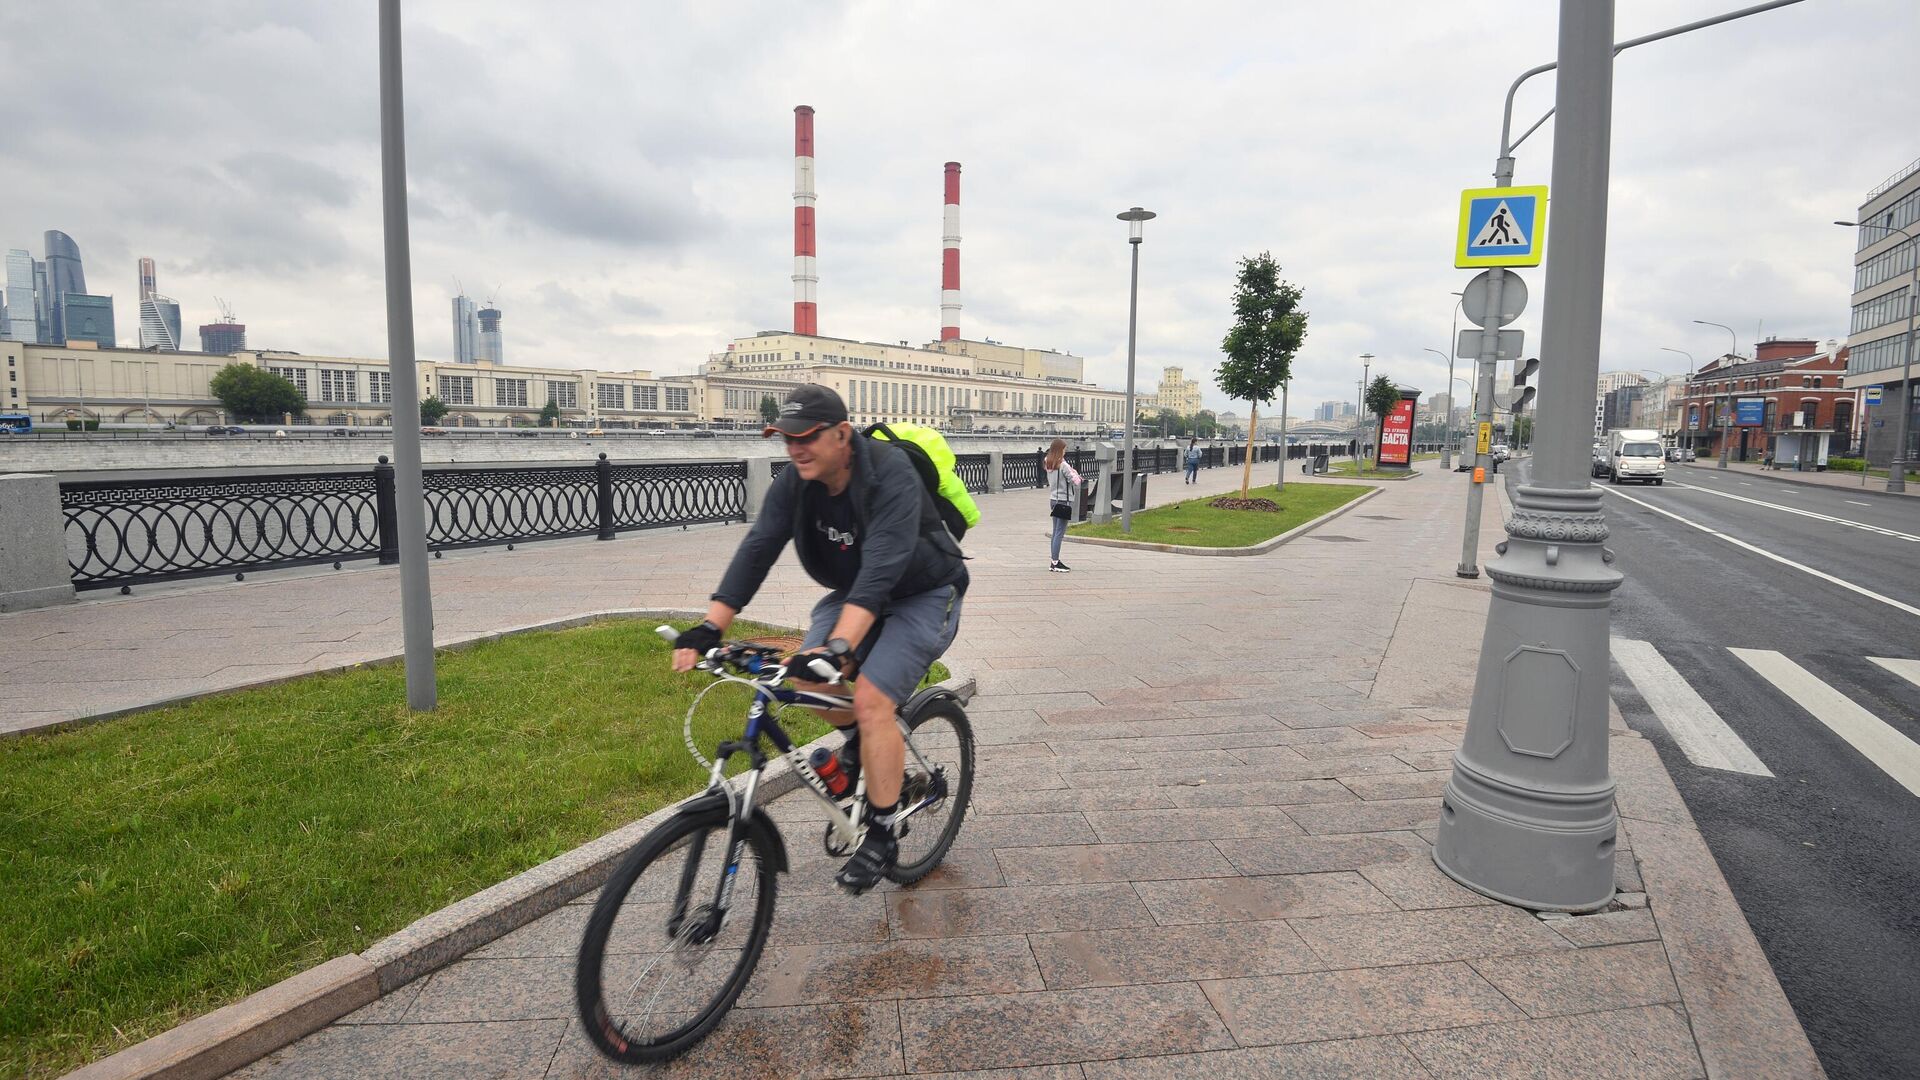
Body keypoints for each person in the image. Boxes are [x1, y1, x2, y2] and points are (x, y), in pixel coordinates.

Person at [670, 385, 967, 894]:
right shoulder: (797, 483)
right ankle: (864, 747)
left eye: (806, 437)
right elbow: (759, 546)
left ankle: (881, 832)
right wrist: (711, 627)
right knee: (802, 682)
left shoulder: (888, 473)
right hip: (856, 593)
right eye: (786, 438)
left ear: (841, 435)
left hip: (924, 592)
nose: (795, 448)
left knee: (871, 699)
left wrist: (839, 649)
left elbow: (881, 569)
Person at [1043, 438, 1081, 573]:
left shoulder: (1048, 462)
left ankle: (1054, 561)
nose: (1066, 451)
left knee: (1055, 532)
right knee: (1059, 533)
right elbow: (1075, 481)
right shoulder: (1063, 465)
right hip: (1064, 501)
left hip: (1053, 499)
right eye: (1064, 449)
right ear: (1060, 450)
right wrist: (1076, 474)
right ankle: (1055, 562)